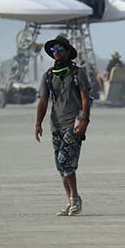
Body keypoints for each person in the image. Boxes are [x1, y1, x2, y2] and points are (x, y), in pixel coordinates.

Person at [34, 36, 92, 216]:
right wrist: (38, 123)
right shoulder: (49, 75)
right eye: (53, 50)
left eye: (60, 48)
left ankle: (75, 198)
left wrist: (84, 121)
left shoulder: (78, 73)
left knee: (64, 161)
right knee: (61, 167)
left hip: (73, 123)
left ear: (67, 51)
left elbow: (85, 99)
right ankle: (70, 201)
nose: (56, 52)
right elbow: (43, 101)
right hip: (56, 124)